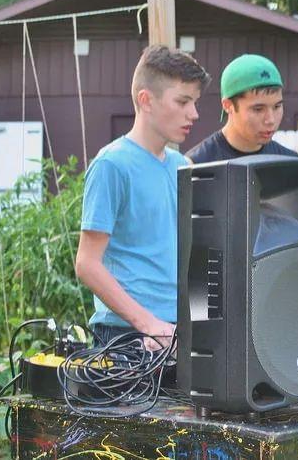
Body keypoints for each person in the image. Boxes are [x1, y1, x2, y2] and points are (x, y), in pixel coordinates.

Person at [186, 54, 298, 351]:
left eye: (277, 106)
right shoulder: (197, 166)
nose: (270, 119)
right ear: (228, 105)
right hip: (219, 320)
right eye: (258, 109)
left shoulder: (290, 165)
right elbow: (193, 262)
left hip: (279, 311)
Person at [75, 45, 210, 350]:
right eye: (183, 102)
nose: (194, 114)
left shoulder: (183, 166)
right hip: (125, 334)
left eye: (195, 102)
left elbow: (194, 254)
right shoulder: (112, 165)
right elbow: (86, 263)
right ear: (146, 100)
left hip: (176, 331)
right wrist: (148, 325)